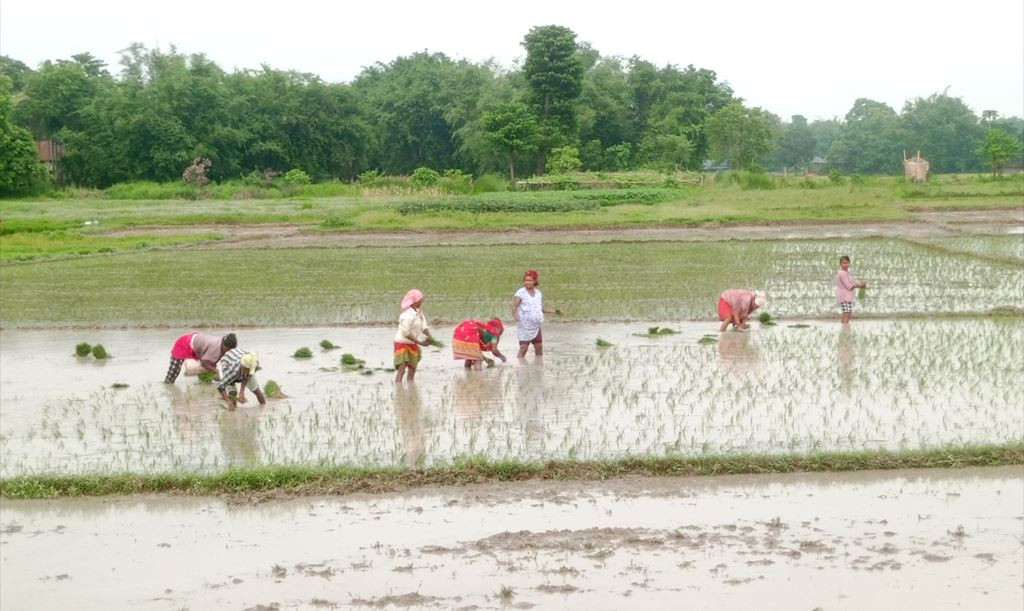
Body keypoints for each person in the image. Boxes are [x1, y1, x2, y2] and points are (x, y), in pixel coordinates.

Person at [513, 269, 557, 358]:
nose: (527, 282)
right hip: (524, 326)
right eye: (525, 280)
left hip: (536, 326)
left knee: (539, 347)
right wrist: (515, 315)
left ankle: (539, 367)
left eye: (530, 280)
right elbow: (514, 306)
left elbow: (538, 308)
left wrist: (554, 311)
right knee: (523, 348)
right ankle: (520, 367)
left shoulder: (538, 293)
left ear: (535, 281)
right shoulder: (521, 292)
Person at [395, 289, 434, 382]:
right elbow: (406, 333)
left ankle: (411, 390)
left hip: (412, 343)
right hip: (402, 343)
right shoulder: (406, 315)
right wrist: (420, 342)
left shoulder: (419, 313)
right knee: (402, 369)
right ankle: (399, 390)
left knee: (412, 368)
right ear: (416, 301)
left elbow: (424, 327)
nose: (422, 300)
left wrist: (430, 337)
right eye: (421, 299)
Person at [165, 332, 236, 383]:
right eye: (228, 349)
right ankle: (168, 384)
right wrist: (216, 371)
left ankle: (203, 384)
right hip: (184, 343)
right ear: (223, 344)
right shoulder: (214, 347)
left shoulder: (224, 346)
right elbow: (204, 363)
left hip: (198, 343)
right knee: (174, 371)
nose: (229, 351)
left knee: (207, 373)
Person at [836, 255, 867, 324]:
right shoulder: (842, 273)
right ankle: (845, 326)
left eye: (846, 263)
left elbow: (852, 283)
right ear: (840, 264)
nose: (845, 265)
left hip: (847, 297)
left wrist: (860, 285)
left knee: (847, 313)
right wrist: (859, 285)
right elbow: (849, 286)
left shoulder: (847, 273)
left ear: (849, 263)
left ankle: (844, 327)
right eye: (843, 263)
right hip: (844, 297)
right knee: (847, 313)